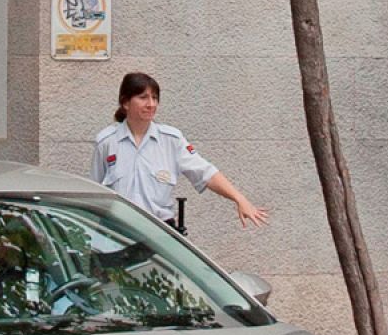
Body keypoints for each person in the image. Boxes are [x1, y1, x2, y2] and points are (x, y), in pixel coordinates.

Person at [91, 73, 268, 230]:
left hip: (159, 233)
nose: (151, 104)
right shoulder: (107, 141)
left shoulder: (171, 140)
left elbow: (205, 172)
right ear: (125, 103)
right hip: (115, 232)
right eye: (143, 97)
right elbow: (94, 193)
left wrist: (239, 198)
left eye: (155, 98)